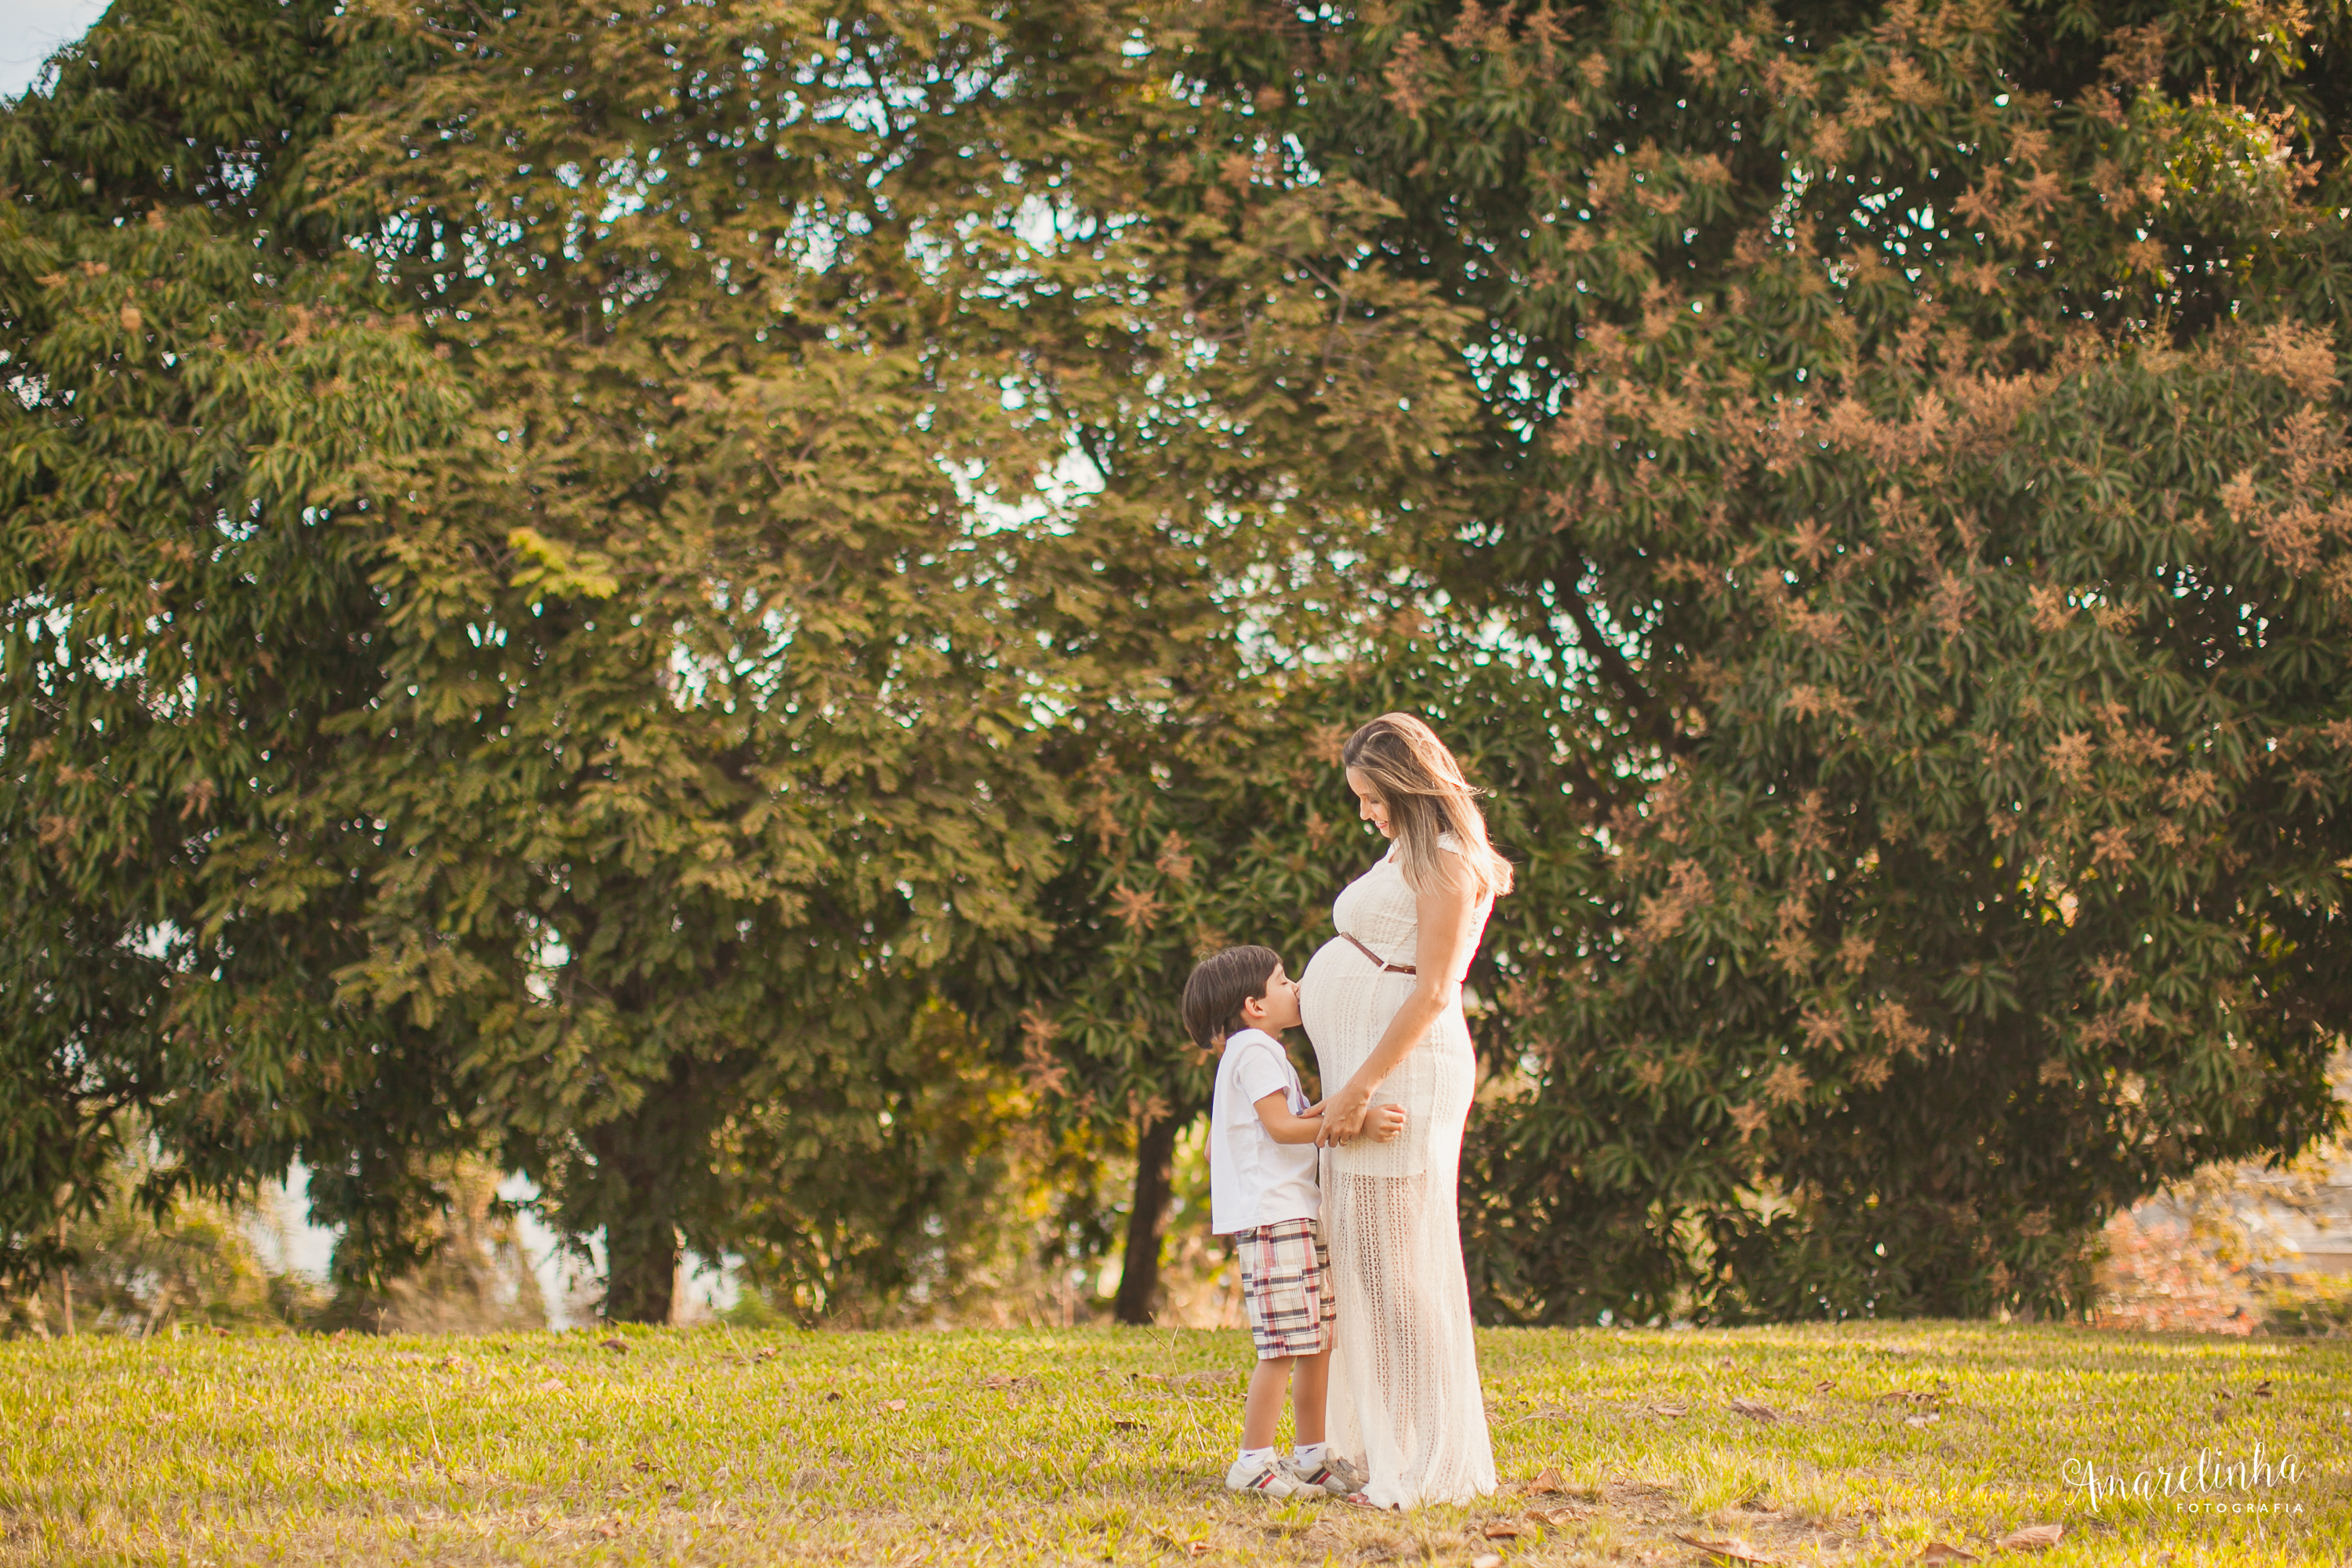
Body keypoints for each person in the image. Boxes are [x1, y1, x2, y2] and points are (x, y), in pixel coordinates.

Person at [1298, 713, 1513, 1510]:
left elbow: (1431, 990)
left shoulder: (1453, 864)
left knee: (1402, 1272)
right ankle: (1385, 1444)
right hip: (1374, 1072)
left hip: (1407, 1078)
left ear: (1407, 785)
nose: (1366, 812)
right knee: (1370, 1266)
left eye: (1372, 796)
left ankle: (1424, 1464)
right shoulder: (1407, 852)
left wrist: (1359, 1084)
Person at [1183, 945, 1405, 1499]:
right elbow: (1281, 1128)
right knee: (1283, 1345)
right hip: (1275, 1217)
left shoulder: (1260, 1052)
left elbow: (1254, 1132)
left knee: (1315, 1340)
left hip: (1294, 1213)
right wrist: (1357, 1123)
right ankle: (1252, 1462)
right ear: (1254, 1005)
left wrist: (1339, 1107)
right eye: (1284, 982)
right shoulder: (1255, 1050)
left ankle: (1310, 1456)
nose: (1298, 988)